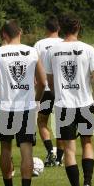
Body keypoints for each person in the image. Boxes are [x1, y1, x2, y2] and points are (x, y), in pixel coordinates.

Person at [44, 13, 94, 186]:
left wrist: (60, 90)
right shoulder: (88, 49)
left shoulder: (52, 50)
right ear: (78, 28)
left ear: (61, 28)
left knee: (69, 149)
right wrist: (93, 93)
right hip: (84, 103)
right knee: (87, 143)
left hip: (63, 105)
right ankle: (88, 184)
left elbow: (50, 81)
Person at [0, 19, 46, 186]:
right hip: (26, 107)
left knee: (5, 148)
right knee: (26, 149)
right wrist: (36, 99)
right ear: (19, 32)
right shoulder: (32, 52)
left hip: (5, 107)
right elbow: (43, 82)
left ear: (4, 35)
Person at [34, 16, 65, 166]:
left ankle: (50, 151)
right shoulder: (64, 43)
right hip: (60, 90)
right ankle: (59, 158)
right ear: (59, 28)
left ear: (46, 28)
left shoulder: (39, 44)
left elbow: (35, 67)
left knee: (41, 121)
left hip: (46, 89)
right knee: (61, 125)